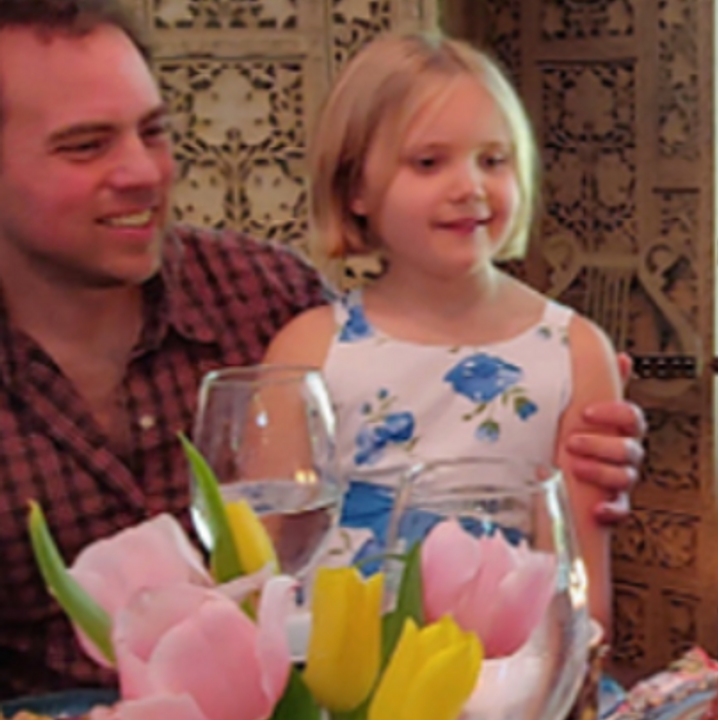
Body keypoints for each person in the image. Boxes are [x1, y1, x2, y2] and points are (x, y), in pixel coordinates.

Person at [0, 0, 645, 698]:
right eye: (85, 145)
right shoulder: (310, 337)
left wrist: (597, 446)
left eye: (153, 131)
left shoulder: (264, 292)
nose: (143, 172)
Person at [262, 31, 618, 628]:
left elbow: (581, 595)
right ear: (355, 189)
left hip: (510, 665)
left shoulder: (576, 352)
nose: (470, 187)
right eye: (428, 162)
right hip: (346, 666)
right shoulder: (309, 349)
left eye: (493, 160)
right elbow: (263, 570)